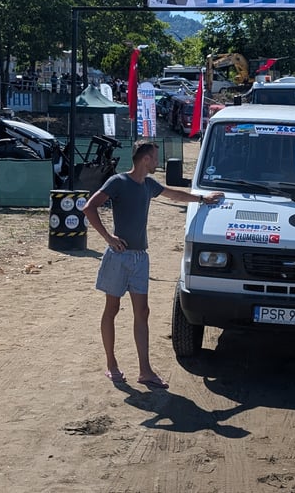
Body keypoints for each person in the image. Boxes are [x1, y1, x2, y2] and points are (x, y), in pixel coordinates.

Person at [80, 139, 224, 389]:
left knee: (142, 313)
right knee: (112, 309)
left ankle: (145, 371)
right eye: (155, 158)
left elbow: (174, 194)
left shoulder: (148, 184)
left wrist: (202, 198)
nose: (158, 162)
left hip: (140, 258)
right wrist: (108, 237)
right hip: (118, 257)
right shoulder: (118, 182)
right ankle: (111, 364)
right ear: (145, 159)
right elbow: (89, 207)